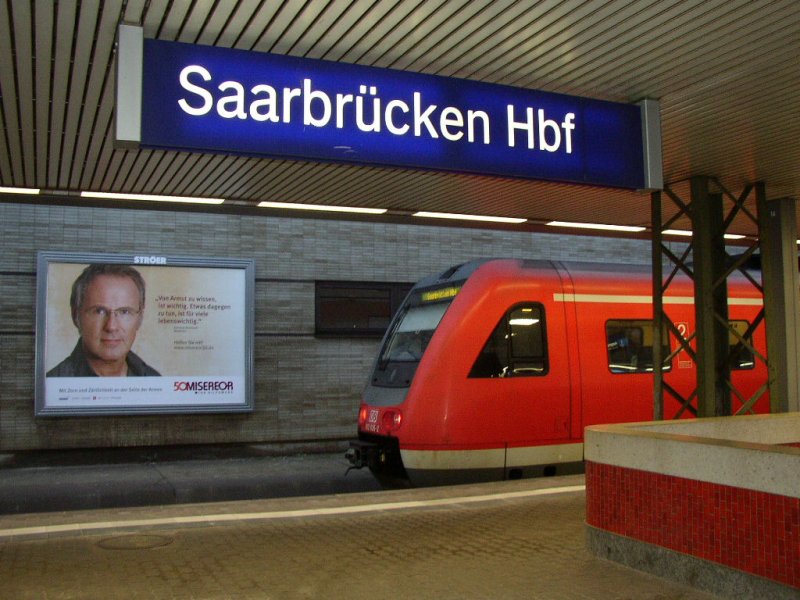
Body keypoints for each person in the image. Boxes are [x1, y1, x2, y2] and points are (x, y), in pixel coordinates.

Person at [47, 263, 161, 377]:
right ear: (76, 316)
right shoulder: (54, 383)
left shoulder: (154, 379)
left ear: (140, 318)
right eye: (99, 311)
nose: (111, 326)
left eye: (124, 312)